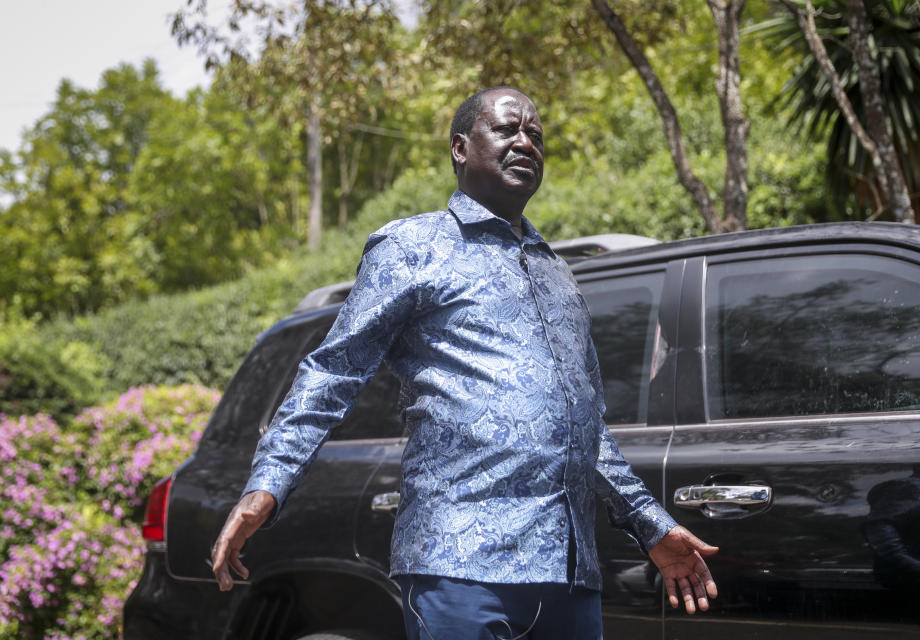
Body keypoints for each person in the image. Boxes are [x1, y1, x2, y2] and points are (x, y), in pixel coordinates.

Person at [211, 86, 718, 639]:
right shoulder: (413, 247)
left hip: (567, 575)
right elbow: (334, 372)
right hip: (458, 561)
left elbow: (586, 428)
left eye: (536, 134)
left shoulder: (558, 275)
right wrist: (269, 481)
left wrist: (650, 524)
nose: (525, 141)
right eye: (507, 130)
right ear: (460, 148)